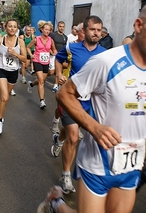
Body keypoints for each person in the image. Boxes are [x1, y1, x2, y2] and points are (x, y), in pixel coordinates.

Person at [39, 2, 146, 213]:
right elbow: (64, 94)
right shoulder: (106, 61)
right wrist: (94, 127)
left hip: (132, 165)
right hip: (97, 164)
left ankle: (55, 201)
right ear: (138, 25)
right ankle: (56, 203)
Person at [51, 16, 106, 194]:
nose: (96, 33)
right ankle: (66, 175)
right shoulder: (71, 47)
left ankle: (59, 139)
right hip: (72, 98)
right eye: (92, 29)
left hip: (92, 102)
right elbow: (58, 60)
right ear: (84, 31)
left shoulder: (105, 54)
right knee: (74, 137)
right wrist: (59, 75)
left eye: (99, 30)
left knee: (68, 133)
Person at [0, 18, 27, 135]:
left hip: (13, 72)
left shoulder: (20, 42)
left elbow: (25, 59)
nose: (12, 28)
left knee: (5, 99)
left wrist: (16, 54)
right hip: (1, 70)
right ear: (5, 28)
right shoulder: (0, 40)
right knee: (5, 97)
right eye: (10, 26)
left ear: (17, 29)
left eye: (14, 26)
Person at [26, 22, 57, 109]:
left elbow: (54, 50)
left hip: (46, 62)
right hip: (37, 61)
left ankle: (31, 84)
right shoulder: (36, 39)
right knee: (41, 81)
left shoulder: (51, 40)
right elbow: (28, 47)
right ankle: (42, 101)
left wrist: (54, 53)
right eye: (45, 29)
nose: (47, 31)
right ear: (42, 30)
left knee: (42, 80)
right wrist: (31, 55)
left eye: (49, 30)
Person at [49, 21, 67, 92]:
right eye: (60, 26)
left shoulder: (65, 37)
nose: (61, 28)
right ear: (57, 27)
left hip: (61, 56)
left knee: (59, 71)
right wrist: (51, 51)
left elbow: (65, 47)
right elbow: (49, 43)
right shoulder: (53, 34)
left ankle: (56, 85)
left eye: (63, 26)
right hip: (53, 56)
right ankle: (42, 77)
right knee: (51, 72)